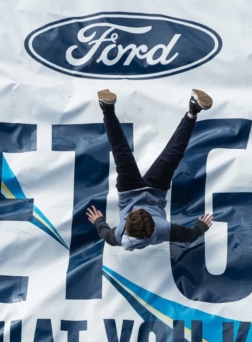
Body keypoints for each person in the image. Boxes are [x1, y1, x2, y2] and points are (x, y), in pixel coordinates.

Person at [86, 89, 214, 251]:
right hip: (155, 191)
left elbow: (104, 233)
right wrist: (201, 226)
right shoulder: (162, 229)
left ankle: (107, 108)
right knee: (172, 154)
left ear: (126, 223)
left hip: (129, 191)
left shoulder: (119, 235)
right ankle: (193, 110)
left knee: (122, 153)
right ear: (153, 225)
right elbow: (190, 235)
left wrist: (99, 221)